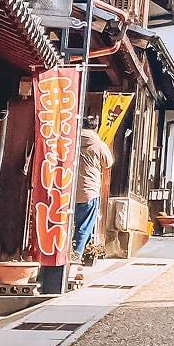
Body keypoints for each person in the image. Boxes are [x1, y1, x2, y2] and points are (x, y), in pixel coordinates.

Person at [72, 118, 113, 279]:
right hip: (89, 191)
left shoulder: (73, 140)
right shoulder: (98, 145)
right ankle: (75, 260)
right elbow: (108, 163)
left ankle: (71, 256)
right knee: (83, 227)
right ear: (96, 127)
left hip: (68, 191)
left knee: (66, 226)